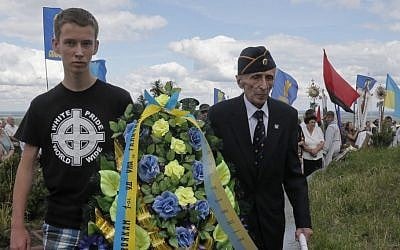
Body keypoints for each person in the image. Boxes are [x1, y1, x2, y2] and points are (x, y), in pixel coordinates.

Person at [10, 8, 133, 249]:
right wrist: (17, 227)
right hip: (59, 223)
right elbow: (26, 166)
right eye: (70, 43)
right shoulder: (41, 105)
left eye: (86, 43)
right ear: (56, 45)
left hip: (111, 221)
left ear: (96, 46)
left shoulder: (119, 100)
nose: (79, 52)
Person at [208, 46, 312, 249]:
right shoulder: (219, 115)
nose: (264, 85)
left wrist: (303, 222)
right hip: (231, 222)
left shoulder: (287, 116)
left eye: (269, 78)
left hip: (271, 223)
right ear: (240, 81)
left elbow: (293, 176)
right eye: (256, 77)